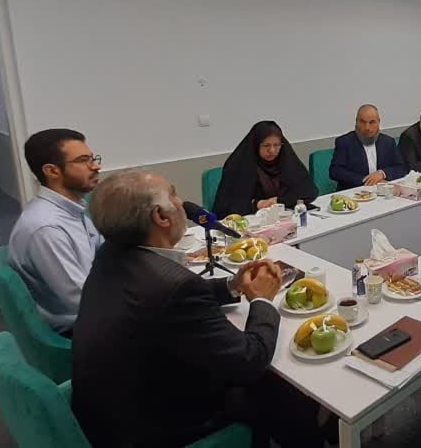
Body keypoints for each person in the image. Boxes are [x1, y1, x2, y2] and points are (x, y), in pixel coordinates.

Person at [72, 171, 324, 448]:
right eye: (174, 194)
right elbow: (249, 360)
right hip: (155, 427)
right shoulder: (174, 285)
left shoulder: (112, 253)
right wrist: (262, 300)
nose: (182, 203)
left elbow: (162, 301)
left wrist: (233, 285)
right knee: (279, 387)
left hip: (110, 409)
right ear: (161, 217)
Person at [6, 129, 103, 336]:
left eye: (93, 158)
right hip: (77, 327)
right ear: (52, 171)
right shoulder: (46, 229)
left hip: (93, 305)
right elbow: (82, 299)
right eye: (83, 160)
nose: (96, 166)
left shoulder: (72, 209)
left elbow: (105, 253)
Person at [212, 121, 317, 217]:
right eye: (266, 145)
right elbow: (226, 206)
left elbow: (309, 192)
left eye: (277, 145)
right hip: (250, 221)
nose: (272, 151)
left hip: (283, 218)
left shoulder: (286, 160)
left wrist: (279, 200)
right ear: (256, 145)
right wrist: (257, 204)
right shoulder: (239, 165)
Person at [329, 104, 407, 191]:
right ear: (356, 122)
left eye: (372, 122)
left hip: (382, 191)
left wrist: (382, 173)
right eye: (363, 122)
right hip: (355, 191)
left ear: (378, 122)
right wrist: (368, 181)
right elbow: (335, 171)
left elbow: (401, 168)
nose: (367, 127)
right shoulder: (344, 142)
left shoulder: (388, 142)